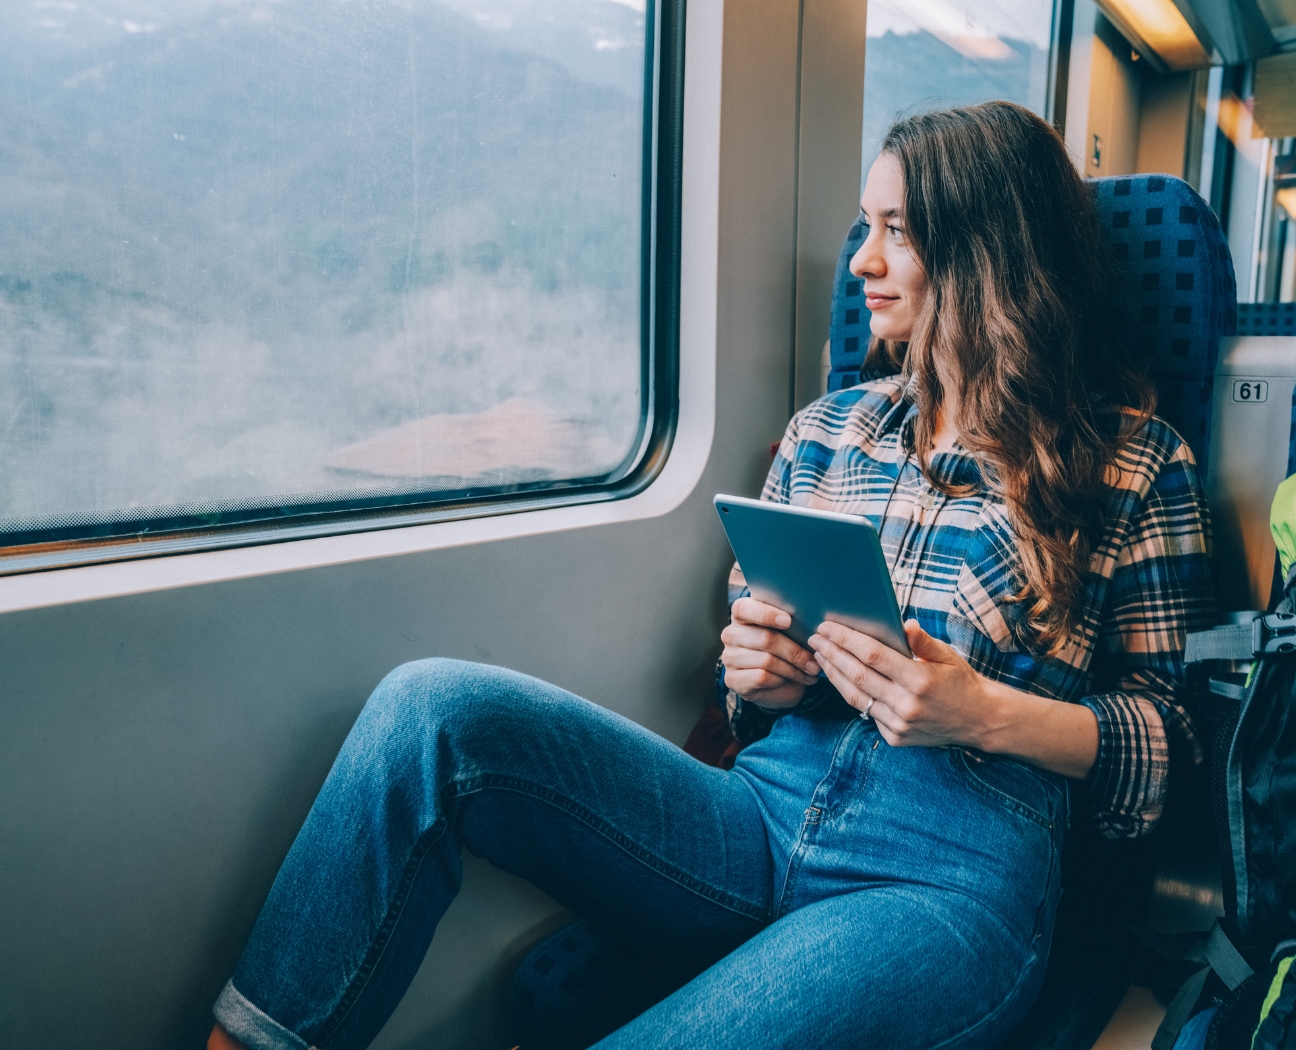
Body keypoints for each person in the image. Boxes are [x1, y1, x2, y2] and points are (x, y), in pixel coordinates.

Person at [208, 101, 1213, 1050]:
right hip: (754, 814)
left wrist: (980, 712)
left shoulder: (1134, 463)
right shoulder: (825, 435)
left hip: (944, 877)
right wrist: (753, 677)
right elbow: (752, 690)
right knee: (431, 707)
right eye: (862, 227)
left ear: (986, 252)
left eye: (895, 232)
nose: (859, 261)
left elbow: (1167, 745)